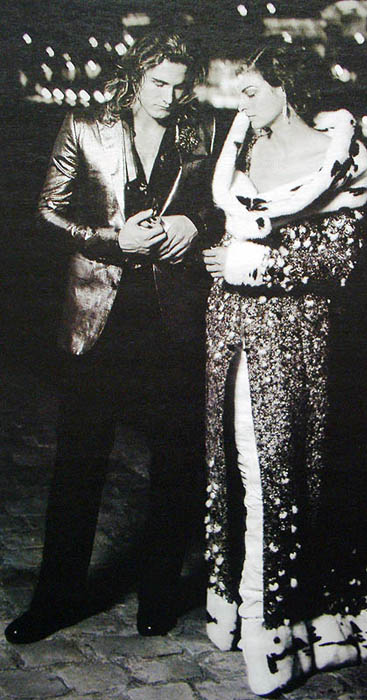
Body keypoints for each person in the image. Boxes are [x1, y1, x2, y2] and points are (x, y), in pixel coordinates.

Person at [202, 42, 367, 696]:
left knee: (273, 474)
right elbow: (238, 232)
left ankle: (271, 631)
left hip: (292, 337)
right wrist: (221, 258)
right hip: (229, 331)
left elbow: (338, 260)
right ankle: (241, 610)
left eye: (251, 90)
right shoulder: (243, 151)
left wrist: (252, 265)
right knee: (237, 464)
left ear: (286, 88)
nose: (241, 103)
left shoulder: (340, 158)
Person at [5, 30, 217, 644]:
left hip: (173, 319)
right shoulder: (84, 126)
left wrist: (194, 222)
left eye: (180, 86)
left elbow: (224, 206)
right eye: (158, 83)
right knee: (78, 465)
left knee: (176, 464)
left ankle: (158, 596)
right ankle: (55, 601)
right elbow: (46, 212)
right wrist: (110, 239)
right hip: (99, 320)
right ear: (135, 77)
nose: (169, 96)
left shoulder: (201, 132)